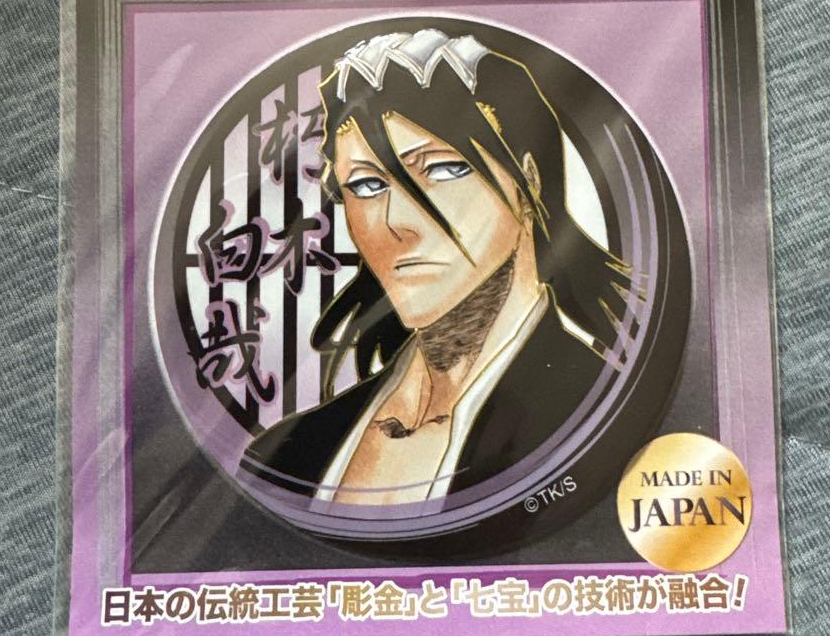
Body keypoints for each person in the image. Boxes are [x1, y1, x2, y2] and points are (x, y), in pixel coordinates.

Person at [240, 28, 636, 507]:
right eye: (366, 186)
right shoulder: (286, 457)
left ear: (528, 179)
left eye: (443, 169)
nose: (396, 222)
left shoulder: (605, 418)